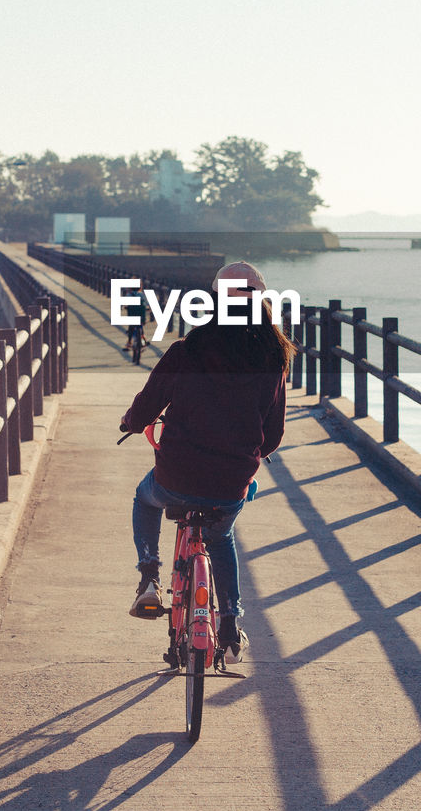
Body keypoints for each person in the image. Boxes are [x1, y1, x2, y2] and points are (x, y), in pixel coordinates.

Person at [118, 261, 293, 662]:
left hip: (177, 472)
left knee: (145, 499)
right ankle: (230, 622)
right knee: (221, 535)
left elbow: (147, 406)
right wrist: (247, 455)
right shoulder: (274, 356)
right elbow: (274, 434)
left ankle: (149, 576)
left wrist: (131, 422)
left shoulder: (188, 349)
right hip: (230, 482)